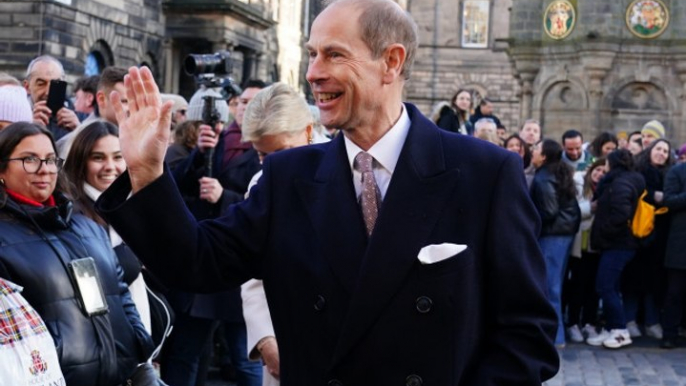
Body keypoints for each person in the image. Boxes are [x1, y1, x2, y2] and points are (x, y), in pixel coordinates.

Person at [97, 0, 559, 384]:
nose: (313, 73)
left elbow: (526, 333)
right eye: (312, 54)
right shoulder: (286, 177)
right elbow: (195, 262)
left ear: (391, 62)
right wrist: (146, 172)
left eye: (334, 55)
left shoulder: (483, 173)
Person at [0, 122, 154, 385]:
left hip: (118, 377)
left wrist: (139, 345)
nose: (44, 169)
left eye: (50, 159)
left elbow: (119, 290)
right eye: (29, 159)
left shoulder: (86, 225)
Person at [164, 84, 262, 386]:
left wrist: (225, 196)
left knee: (247, 356)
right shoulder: (218, 141)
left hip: (241, 266)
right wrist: (199, 154)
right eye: (241, 101)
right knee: (187, 352)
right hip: (206, 261)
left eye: (252, 102)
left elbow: (267, 205)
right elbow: (177, 187)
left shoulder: (268, 145)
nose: (244, 107)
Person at [240, 82, 329, 386]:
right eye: (263, 155)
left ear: (307, 130)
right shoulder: (260, 184)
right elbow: (253, 270)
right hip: (287, 338)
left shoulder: (350, 168)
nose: (272, 165)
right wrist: (265, 337)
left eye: (281, 152)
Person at [586, 149, 645, 349]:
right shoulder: (624, 180)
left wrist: (604, 230)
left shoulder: (620, 183)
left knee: (605, 286)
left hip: (619, 243)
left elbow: (621, 214)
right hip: (617, 243)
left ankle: (620, 331)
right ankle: (613, 327)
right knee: (612, 286)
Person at [530, 139, 581, 348]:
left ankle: (555, 336)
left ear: (544, 156)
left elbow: (548, 212)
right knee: (553, 285)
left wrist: (530, 222)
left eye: (536, 149)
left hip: (553, 235)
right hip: (563, 234)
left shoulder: (544, 177)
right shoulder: (557, 172)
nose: (532, 151)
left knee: (550, 287)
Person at [621, 138, 673, 340]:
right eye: (658, 149)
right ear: (650, 150)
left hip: (660, 235)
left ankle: (652, 321)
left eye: (666, 151)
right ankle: (630, 319)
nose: (662, 153)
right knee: (633, 279)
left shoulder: (670, 174)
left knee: (654, 281)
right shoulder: (639, 171)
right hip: (637, 231)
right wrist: (653, 195)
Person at [565, 158, 606, 344]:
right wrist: (591, 207)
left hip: (597, 245)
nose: (599, 174)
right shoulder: (578, 183)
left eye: (604, 172)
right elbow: (572, 211)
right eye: (598, 170)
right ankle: (573, 322)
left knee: (593, 288)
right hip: (579, 244)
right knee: (578, 286)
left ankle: (589, 321)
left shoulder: (607, 188)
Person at [57, 66, 129, 159]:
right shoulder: (71, 144)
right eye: (124, 101)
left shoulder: (138, 139)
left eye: (135, 101)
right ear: (101, 99)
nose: (131, 108)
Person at [23, 55, 80, 140]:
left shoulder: (75, 116)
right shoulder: (15, 116)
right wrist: (28, 128)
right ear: (27, 87)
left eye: (55, 84)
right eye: (41, 84)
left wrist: (79, 131)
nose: (48, 92)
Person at [661, 161, 686, 348]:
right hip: (680, 243)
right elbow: (669, 200)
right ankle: (670, 333)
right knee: (674, 291)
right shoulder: (676, 172)